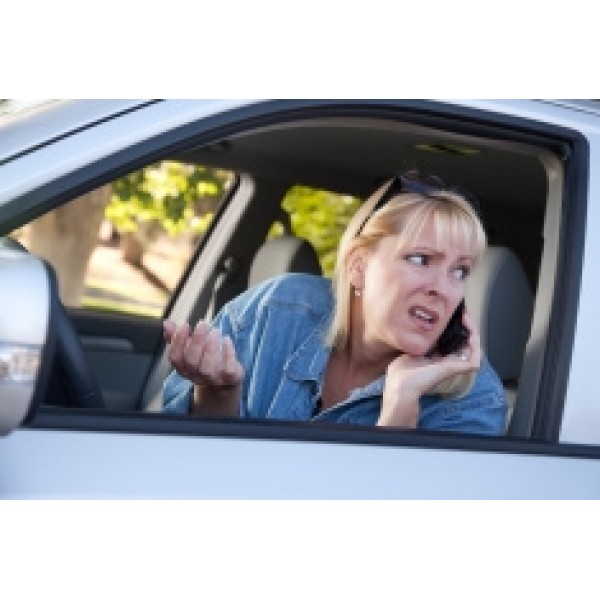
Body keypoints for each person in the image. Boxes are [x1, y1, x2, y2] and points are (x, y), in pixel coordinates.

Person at [162, 171, 507, 435]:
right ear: (359, 266)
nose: (442, 289)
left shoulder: (473, 401)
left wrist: (401, 404)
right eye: (420, 260)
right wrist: (218, 393)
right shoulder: (275, 310)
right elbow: (180, 460)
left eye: (460, 271)